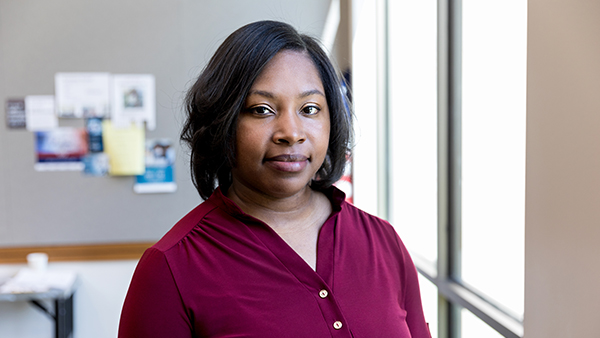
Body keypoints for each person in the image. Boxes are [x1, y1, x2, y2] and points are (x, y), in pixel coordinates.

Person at [118, 20, 430, 338]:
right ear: (222, 121)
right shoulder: (171, 267)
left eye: (309, 109)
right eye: (262, 110)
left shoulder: (383, 242)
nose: (291, 133)